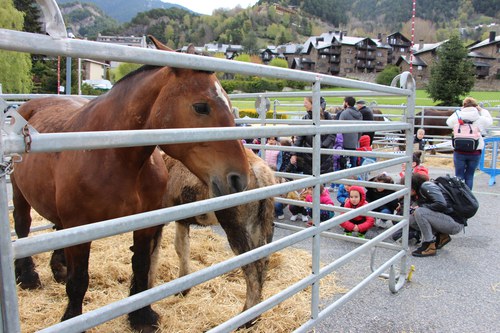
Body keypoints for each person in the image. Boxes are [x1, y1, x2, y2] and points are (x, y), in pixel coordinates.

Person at [408, 173, 465, 257]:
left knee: (420, 212)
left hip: (455, 223)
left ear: (412, 187)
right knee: (411, 218)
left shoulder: (427, 187)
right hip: (447, 220)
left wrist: (421, 206)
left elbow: (441, 204)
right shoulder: (420, 192)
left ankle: (429, 246)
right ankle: (441, 236)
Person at [446, 97, 493, 189]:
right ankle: (468, 196)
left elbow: (448, 122)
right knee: (470, 175)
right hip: (475, 151)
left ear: (463, 106)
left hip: (459, 151)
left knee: (458, 175)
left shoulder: (458, 117)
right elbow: (489, 121)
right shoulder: (480, 119)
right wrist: (482, 110)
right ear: (476, 106)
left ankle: (459, 196)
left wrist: (459, 111)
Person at [290, 96, 336, 175]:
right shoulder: (305, 118)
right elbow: (300, 138)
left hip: (324, 156)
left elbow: (332, 134)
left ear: (313, 104)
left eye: (306, 103)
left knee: (322, 181)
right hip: (309, 157)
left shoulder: (326, 116)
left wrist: (322, 145)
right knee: (310, 183)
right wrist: (293, 153)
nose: (304, 105)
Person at [339, 96, 362, 169]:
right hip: (354, 142)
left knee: (343, 164)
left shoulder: (344, 113)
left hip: (344, 142)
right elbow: (360, 130)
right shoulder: (359, 114)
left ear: (346, 103)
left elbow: (339, 128)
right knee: (353, 163)